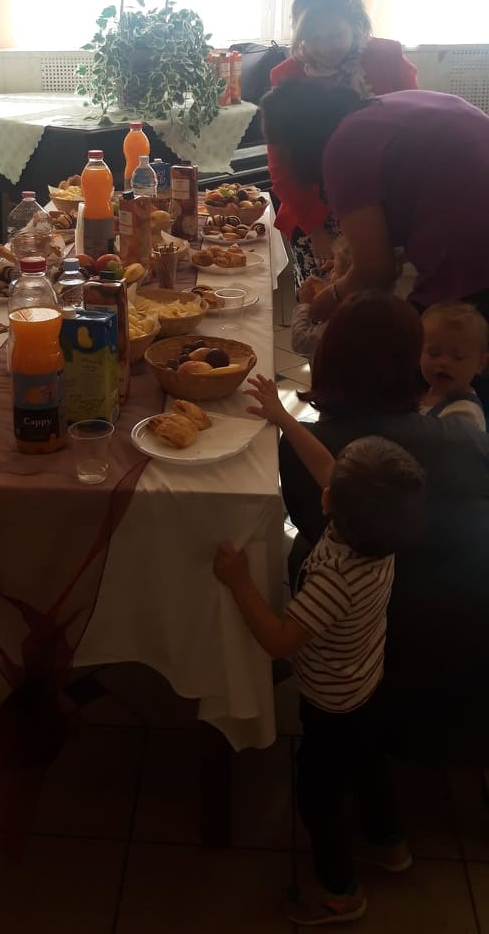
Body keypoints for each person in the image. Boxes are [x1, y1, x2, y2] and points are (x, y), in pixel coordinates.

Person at [215, 377, 425, 926]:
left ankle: (340, 892)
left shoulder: (335, 576)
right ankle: (389, 844)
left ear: (331, 504)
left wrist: (239, 581)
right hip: (367, 681)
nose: (327, 476)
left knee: (320, 794)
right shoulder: (379, 535)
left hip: (331, 703)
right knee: (371, 766)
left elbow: (279, 639)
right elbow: (327, 467)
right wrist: (284, 420)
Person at [277, 291, 489, 761]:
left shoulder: (304, 448)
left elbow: (317, 533)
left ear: (327, 358)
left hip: (354, 644)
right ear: (413, 360)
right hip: (459, 638)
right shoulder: (465, 437)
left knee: (299, 553)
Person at [260, 81, 489, 335]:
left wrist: (329, 298)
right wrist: (352, 256)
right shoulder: (379, 109)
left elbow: (375, 271)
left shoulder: (343, 148)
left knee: (433, 343)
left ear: (299, 143)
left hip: (472, 248)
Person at [266, 0, 417, 287]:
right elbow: (281, 167)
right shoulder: (286, 76)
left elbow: (415, 132)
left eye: (335, 35)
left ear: (356, 25)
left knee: (379, 297)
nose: (324, 48)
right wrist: (316, 230)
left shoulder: (386, 59)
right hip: (317, 212)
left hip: (386, 203)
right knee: (322, 300)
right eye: (313, 38)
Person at [420, 302, 487, 430]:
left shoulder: (465, 413)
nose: (443, 362)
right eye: (434, 354)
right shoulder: (422, 395)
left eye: (458, 357)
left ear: (480, 364)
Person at [291, 236, 351, 360]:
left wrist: (304, 305)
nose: (330, 271)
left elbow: (301, 342)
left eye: (335, 270)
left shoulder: (345, 319)